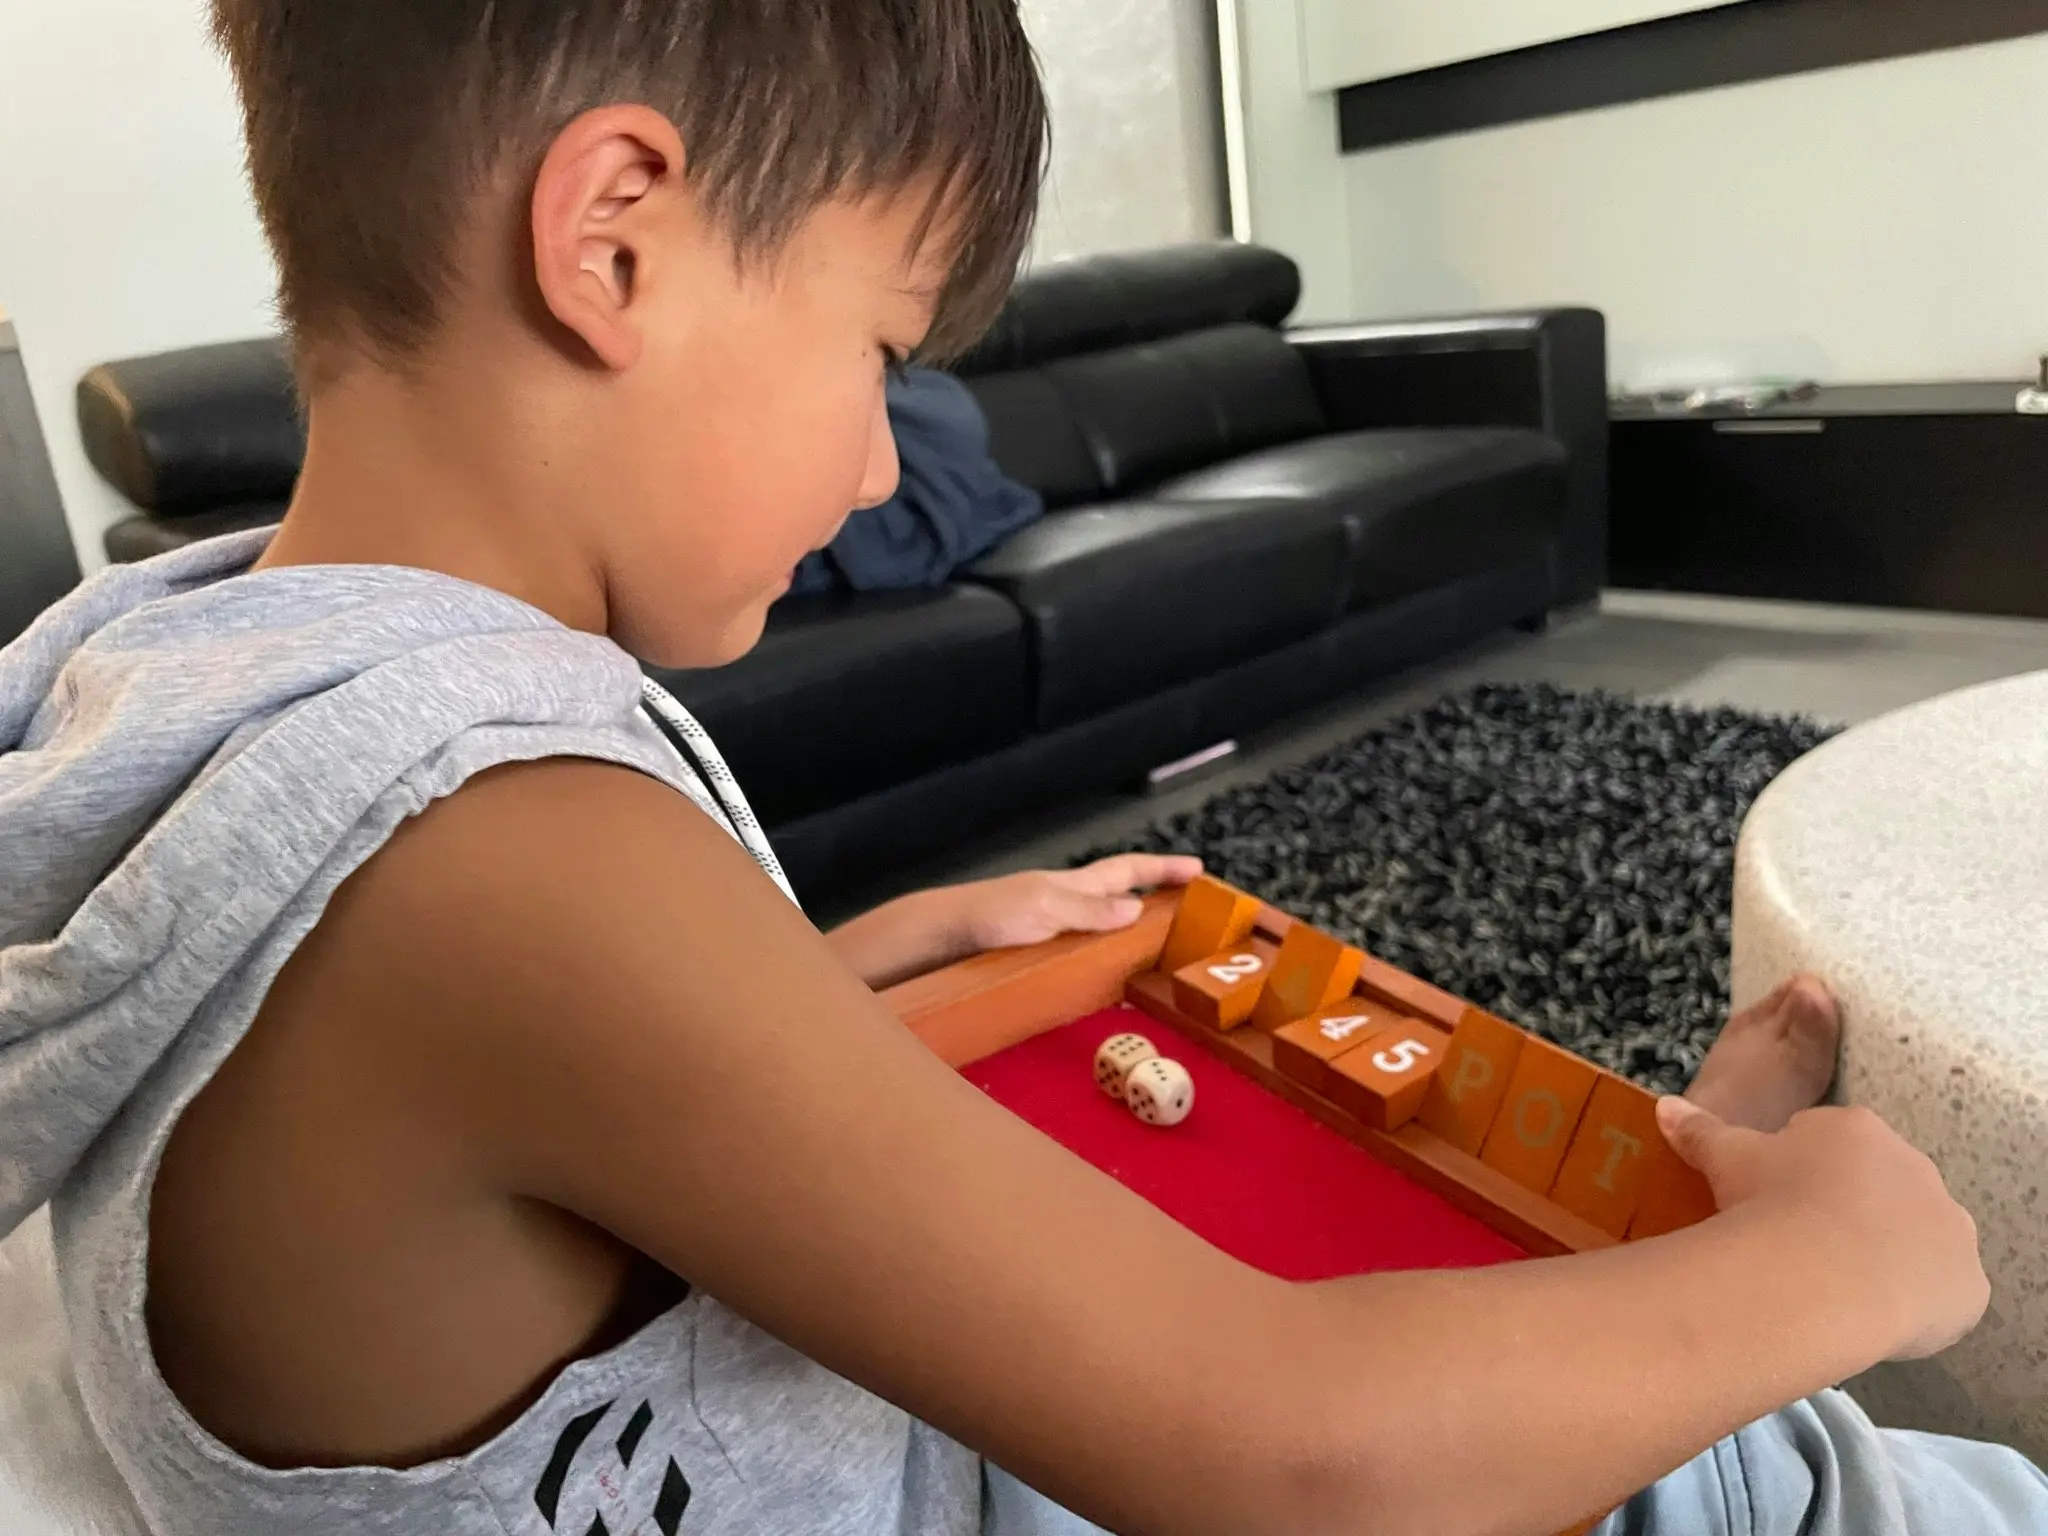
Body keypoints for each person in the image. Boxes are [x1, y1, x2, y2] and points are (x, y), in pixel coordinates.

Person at [0, 3, 2041, 1533]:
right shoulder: (498, 851)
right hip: (982, 1485)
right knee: (1739, 1464)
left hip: (901, 1438)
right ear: (613, 237)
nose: (889, 460)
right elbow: (1293, 1455)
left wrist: (846, 964)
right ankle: (1731, 1305)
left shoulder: (209, 676)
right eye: (882, 353)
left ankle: (1653, 1224)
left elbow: (491, 1161)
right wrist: (1837, 1267)